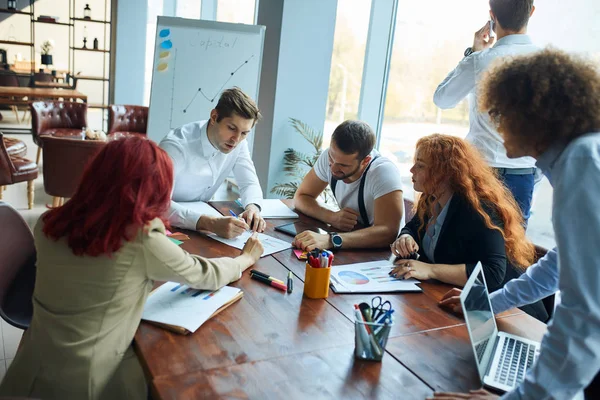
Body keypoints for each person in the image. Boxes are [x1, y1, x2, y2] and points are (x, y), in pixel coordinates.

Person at [0, 136, 263, 400]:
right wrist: (245, 258)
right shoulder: (140, 239)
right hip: (88, 380)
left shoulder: (49, 222)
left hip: (30, 368)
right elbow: (205, 274)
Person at [433, 49, 600, 399]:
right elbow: (557, 265)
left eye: (500, 113)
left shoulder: (582, 162)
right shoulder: (575, 159)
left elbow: (583, 313)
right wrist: (488, 304)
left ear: (534, 116)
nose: (495, 124)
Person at [389, 135, 546, 321]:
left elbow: (492, 273)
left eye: (421, 165)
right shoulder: (431, 197)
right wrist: (406, 237)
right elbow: (413, 227)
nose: (412, 170)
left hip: (511, 313)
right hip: (462, 302)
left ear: (444, 173)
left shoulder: (479, 210)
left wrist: (430, 270)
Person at [433, 0, 538, 222]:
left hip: (481, 171)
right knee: (513, 250)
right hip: (523, 173)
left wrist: (472, 53)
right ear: (531, 12)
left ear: (492, 16)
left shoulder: (480, 60)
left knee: (470, 246)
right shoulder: (548, 62)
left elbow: (442, 99)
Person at [160, 87, 266, 239]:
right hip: (165, 228)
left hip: (202, 231)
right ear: (214, 116)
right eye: (231, 128)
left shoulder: (239, 144)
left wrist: (253, 208)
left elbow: (249, 183)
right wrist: (210, 224)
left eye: (244, 133)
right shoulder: (175, 147)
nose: (236, 139)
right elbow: (158, 204)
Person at [292, 120, 404, 251]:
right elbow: (301, 197)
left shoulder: (383, 172)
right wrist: (331, 217)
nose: (333, 168)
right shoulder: (331, 158)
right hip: (351, 244)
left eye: (343, 165)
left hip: (382, 254)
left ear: (365, 161)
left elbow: (388, 233)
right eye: (331, 158)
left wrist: (331, 240)